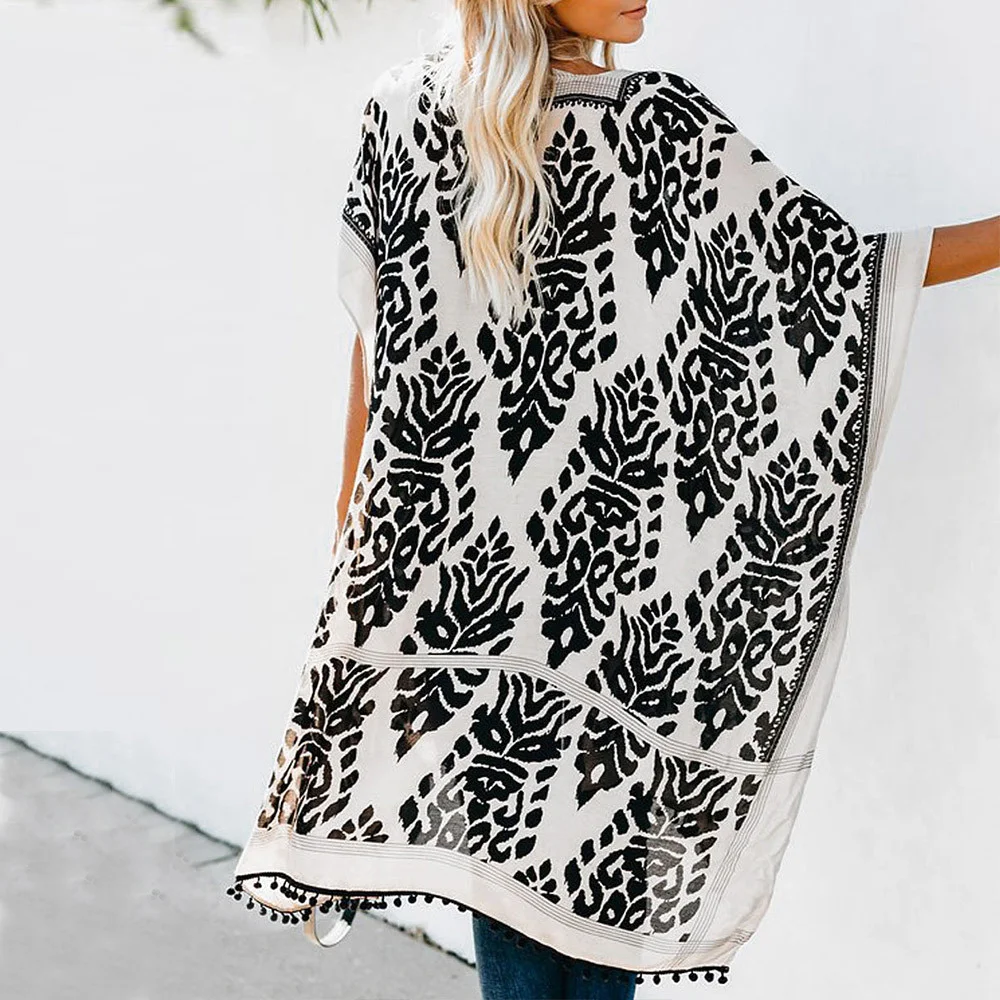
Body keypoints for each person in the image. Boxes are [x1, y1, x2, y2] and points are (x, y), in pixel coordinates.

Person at [227, 2, 998, 998]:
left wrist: (360, 574)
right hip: (600, 639)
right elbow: (842, 280)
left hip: (487, 624)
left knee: (522, 932)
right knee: (572, 942)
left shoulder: (431, 112)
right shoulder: (606, 124)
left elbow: (378, 362)